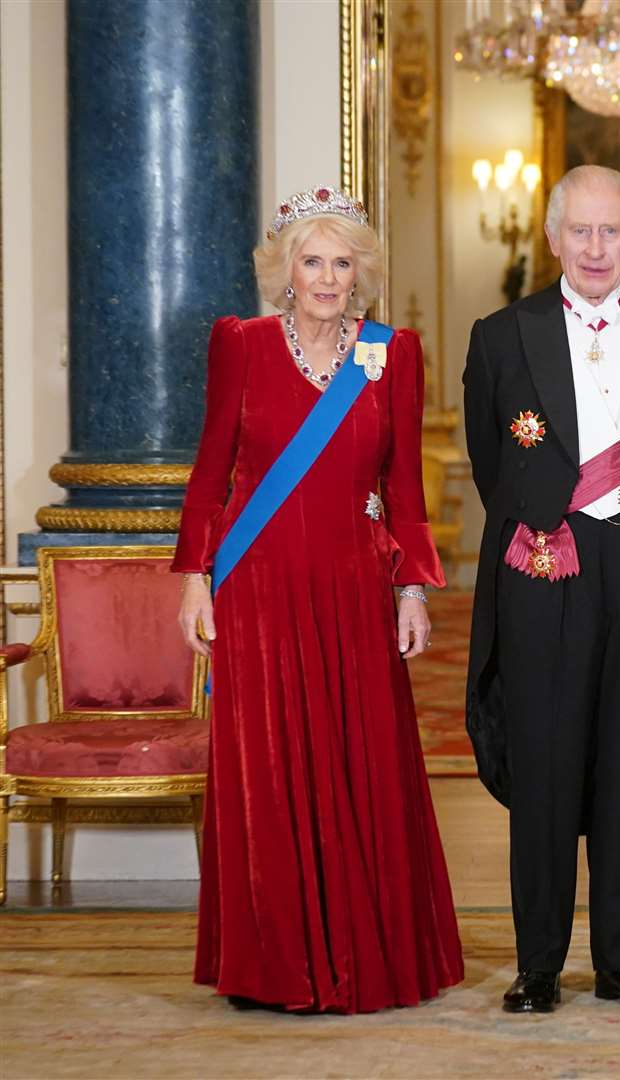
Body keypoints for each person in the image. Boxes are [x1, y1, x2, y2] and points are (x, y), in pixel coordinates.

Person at [174, 186, 463, 1013]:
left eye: (343, 262)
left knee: (359, 760)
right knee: (268, 767)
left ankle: (363, 957)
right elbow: (208, 475)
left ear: (360, 274)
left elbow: (404, 487)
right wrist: (195, 580)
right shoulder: (242, 345)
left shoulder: (391, 352)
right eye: (313, 261)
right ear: (285, 271)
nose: (329, 278)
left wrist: (413, 586)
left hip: (352, 587)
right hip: (258, 588)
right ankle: (272, 965)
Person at [463, 165, 620, 1013]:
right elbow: (491, 464)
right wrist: (543, 521)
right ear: (553, 238)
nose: (597, 247)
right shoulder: (502, 335)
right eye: (581, 231)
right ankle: (538, 964)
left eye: (612, 232)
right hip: (546, 567)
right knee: (543, 765)